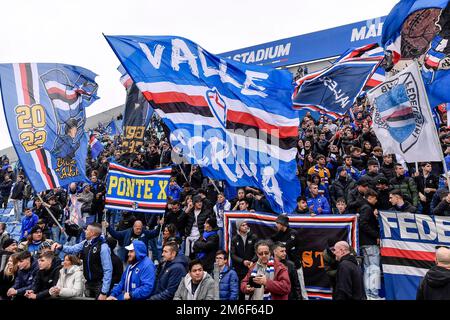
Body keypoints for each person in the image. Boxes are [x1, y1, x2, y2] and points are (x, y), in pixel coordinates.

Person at [52, 222, 112, 300]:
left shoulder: (103, 247)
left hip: (99, 285)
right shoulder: (85, 243)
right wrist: (61, 247)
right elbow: (73, 249)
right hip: (88, 283)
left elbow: (108, 270)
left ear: (92, 233)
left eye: (87, 230)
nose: (85, 231)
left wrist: (104, 292)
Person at [359, 189, 381, 300]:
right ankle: (373, 295)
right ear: (370, 197)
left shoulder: (365, 208)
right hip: (370, 243)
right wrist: (376, 235)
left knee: (368, 268)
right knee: (374, 268)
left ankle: (368, 294)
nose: (376, 200)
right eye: (375, 198)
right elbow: (363, 224)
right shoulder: (367, 208)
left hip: (365, 243)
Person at [230, 219, 258, 300]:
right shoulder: (234, 239)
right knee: (241, 291)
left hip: (252, 268)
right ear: (239, 227)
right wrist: (242, 261)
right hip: (240, 269)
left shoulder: (253, 237)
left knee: (253, 290)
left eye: (246, 224)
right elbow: (232, 254)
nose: (246, 226)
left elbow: (257, 252)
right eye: (243, 225)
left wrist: (252, 261)